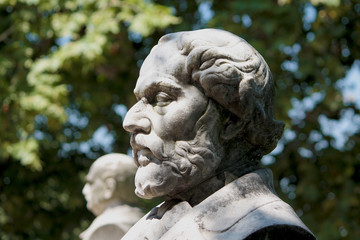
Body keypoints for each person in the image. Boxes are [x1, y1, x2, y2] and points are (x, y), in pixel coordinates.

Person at [122, 29, 316, 239]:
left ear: (231, 118)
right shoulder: (148, 227)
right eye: (139, 100)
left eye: (161, 98)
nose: (130, 121)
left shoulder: (271, 231)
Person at [80, 153, 143, 240]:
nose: (84, 191)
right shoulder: (144, 220)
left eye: (90, 183)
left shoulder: (108, 228)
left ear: (109, 187)